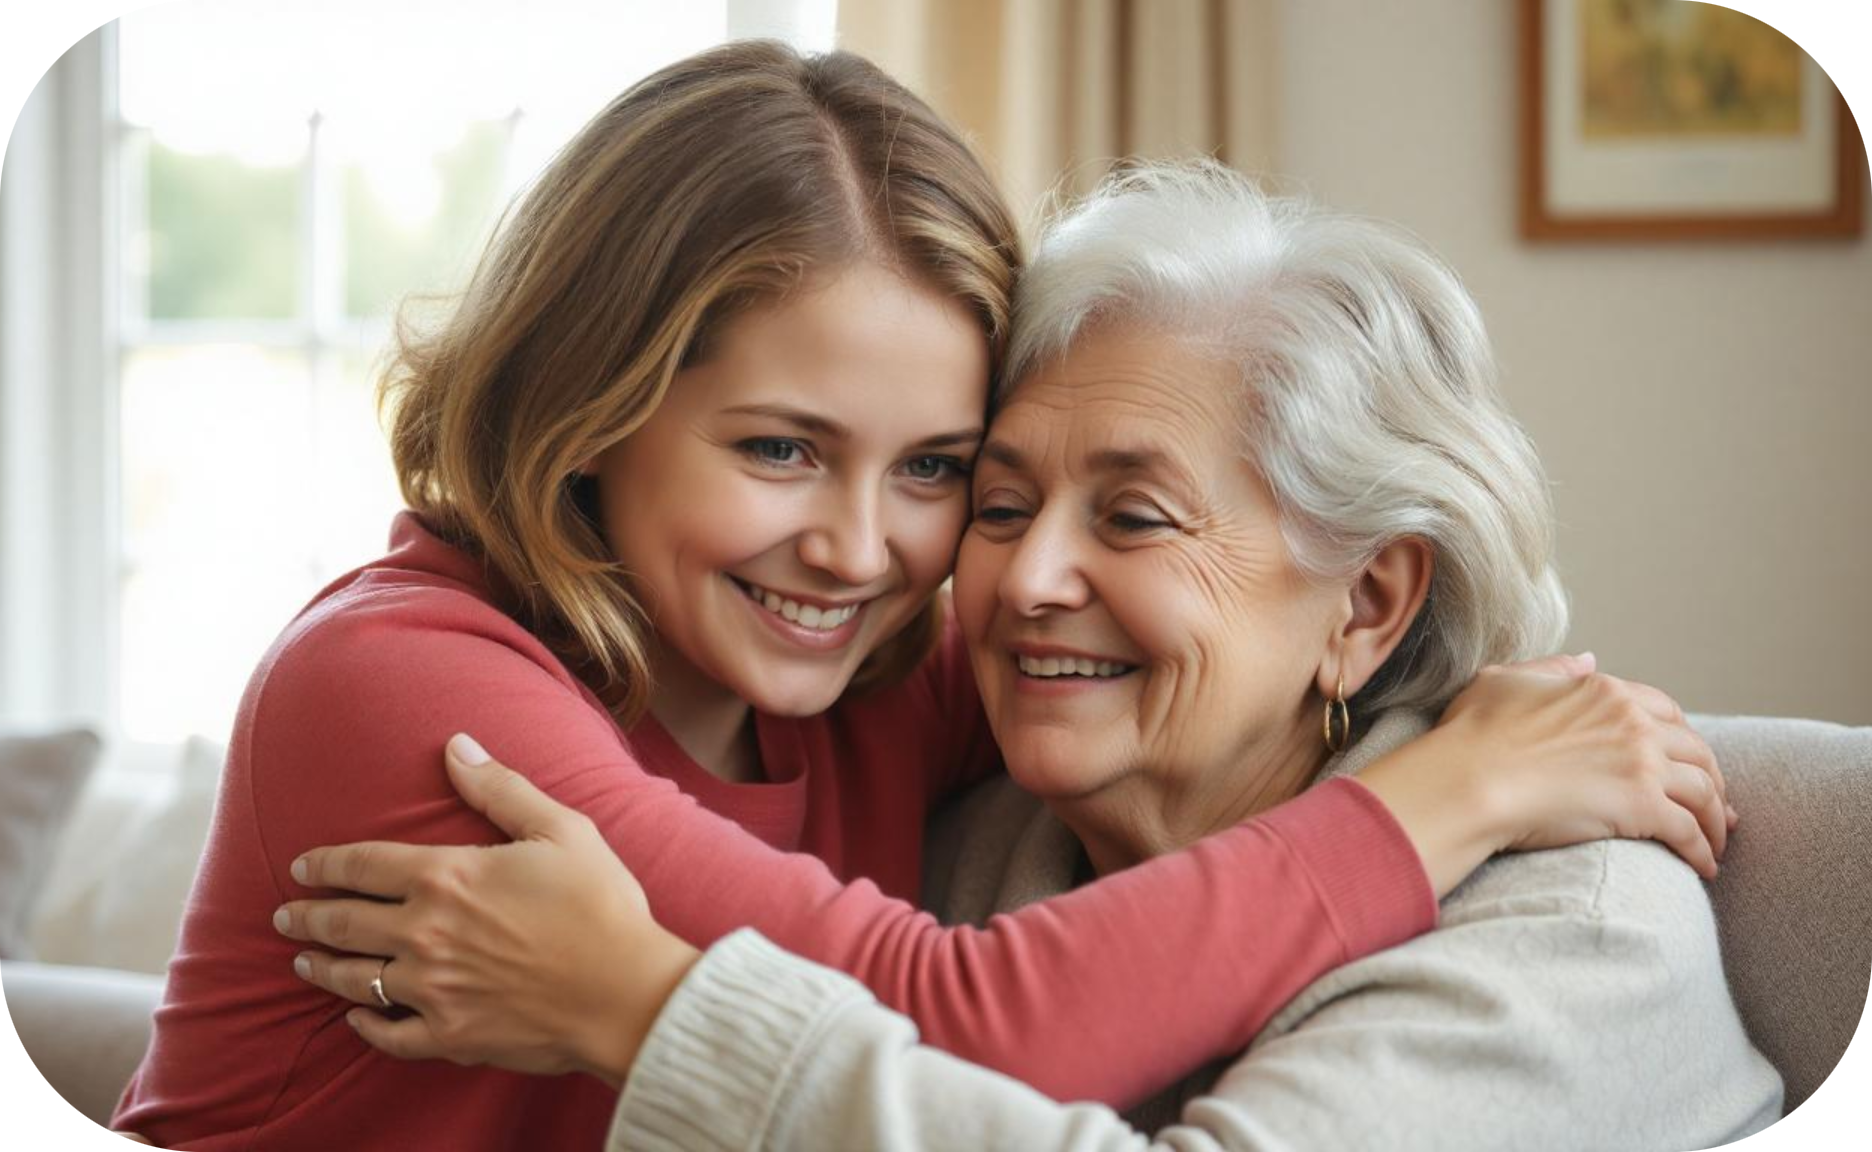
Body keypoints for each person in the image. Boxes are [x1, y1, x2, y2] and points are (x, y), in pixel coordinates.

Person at [114, 41, 1732, 1149]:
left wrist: (1493, 741)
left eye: (939, 469)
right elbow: (956, 1018)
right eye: (778, 447)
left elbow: (1200, 662)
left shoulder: (893, 671)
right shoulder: (406, 685)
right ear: (588, 407)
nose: (869, 550)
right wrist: (1454, 785)